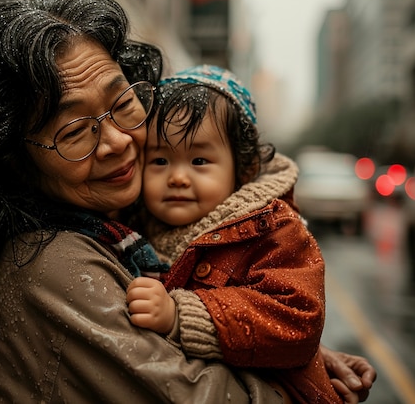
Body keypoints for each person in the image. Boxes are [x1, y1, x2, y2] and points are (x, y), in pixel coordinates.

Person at [0, 0, 375, 403]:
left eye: (122, 104)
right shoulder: (52, 264)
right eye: (75, 130)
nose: (118, 140)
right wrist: (306, 385)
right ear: (16, 161)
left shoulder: (127, 226)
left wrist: (292, 353)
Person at [126, 65, 374, 403]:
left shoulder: (272, 228)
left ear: (243, 169)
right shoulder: (136, 224)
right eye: (160, 161)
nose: (178, 178)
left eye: (199, 160)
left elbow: (297, 319)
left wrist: (182, 315)